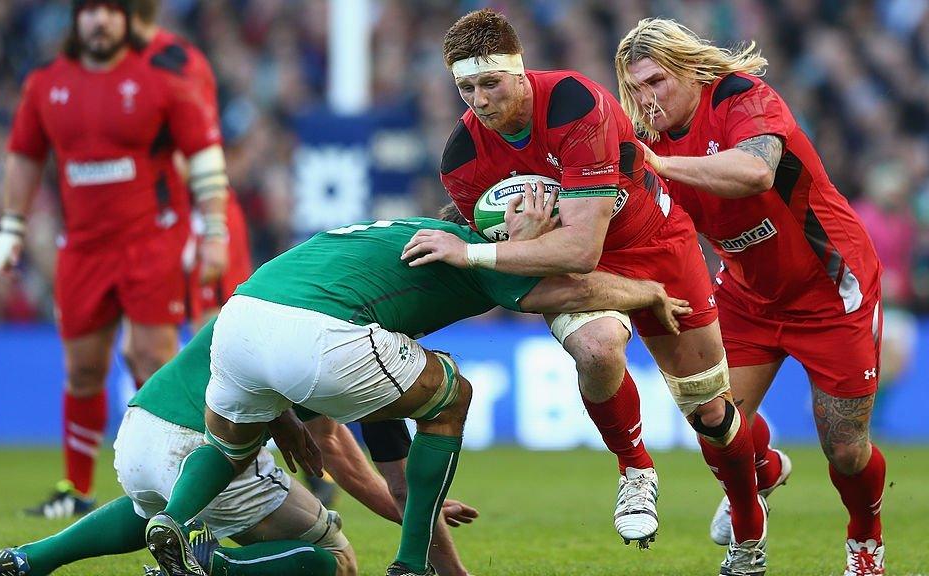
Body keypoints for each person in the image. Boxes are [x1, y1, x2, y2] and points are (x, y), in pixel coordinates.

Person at [404, 9, 766, 574]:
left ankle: (749, 532)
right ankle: (635, 468)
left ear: (520, 73)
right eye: (465, 87)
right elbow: (524, 280)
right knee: (596, 348)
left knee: (712, 414)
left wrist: (477, 251)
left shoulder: (577, 105)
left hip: (656, 245)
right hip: (570, 268)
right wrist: (513, 249)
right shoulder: (463, 159)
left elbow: (580, 251)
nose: (479, 99)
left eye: (490, 83)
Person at [140, 216, 690, 576]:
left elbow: (390, 458)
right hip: (318, 334)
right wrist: (649, 291)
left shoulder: (390, 242)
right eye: (538, 219)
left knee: (227, 449)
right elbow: (575, 289)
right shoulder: (478, 253)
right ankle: (410, 566)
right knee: (452, 397)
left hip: (241, 318)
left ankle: (176, 522)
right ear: (502, 228)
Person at [614, 18, 887, 576]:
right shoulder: (647, 139)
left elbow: (757, 172)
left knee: (845, 450)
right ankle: (759, 480)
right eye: (635, 89)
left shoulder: (741, 96)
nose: (647, 99)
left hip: (830, 286)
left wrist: (661, 165)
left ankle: (865, 540)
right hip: (747, 294)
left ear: (689, 70)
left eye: (656, 82)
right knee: (713, 416)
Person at [0, 314, 481, 576]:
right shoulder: (360, 349)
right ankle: (213, 566)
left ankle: (31, 558)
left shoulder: (280, 291)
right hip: (204, 447)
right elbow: (336, 450)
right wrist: (419, 518)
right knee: (335, 557)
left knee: (156, 505)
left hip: (141, 429)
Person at [0, 0, 228, 517]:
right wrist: (12, 225)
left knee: (151, 358)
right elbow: (25, 156)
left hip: (152, 242)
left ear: (126, 18)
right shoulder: (46, 84)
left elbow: (204, 152)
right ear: (75, 19)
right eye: (90, 10)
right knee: (83, 369)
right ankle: (75, 490)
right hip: (82, 249)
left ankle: (176, 475)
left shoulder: (162, 78)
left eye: (111, 10)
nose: (100, 20)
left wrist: (215, 230)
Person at [128, 0, 253, 331]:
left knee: (213, 327)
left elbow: (213, 328)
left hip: (201, 216)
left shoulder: (190, 99)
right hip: (164, 215)